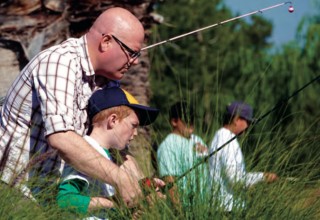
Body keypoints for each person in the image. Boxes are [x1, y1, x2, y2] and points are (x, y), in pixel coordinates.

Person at [0, 7, 146, 206]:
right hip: (12, 190)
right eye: (132, 52)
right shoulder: (59, 62)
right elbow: (61, 138)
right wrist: (120, 179)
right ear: (106, 42)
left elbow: (118, 147)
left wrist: (142, 186)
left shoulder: (108, 82)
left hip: (50, 199)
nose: (135, 62)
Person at [57, 85, 164, 218]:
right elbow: (64, 201)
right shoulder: (87, 150)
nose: (135, 133)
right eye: (133, 125)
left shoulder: (108, 157)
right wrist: (113, 203)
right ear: (113, 120)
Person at [208, 101, 278, 212]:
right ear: (237, 120)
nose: (248, 127)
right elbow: (235, 180)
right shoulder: (227, 140)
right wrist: (263, 177)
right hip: (227, 210)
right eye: (248, 122)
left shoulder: (219, 136)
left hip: (221, 208)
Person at [157, 101, 208, 209]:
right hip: (186, 209)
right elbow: (170, 181)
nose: (191, 124)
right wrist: (179, 212)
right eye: (186, 120)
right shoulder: (167, 145)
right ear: (174, 121)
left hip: (205, 206)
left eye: (193, 119)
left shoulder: (197, 140)